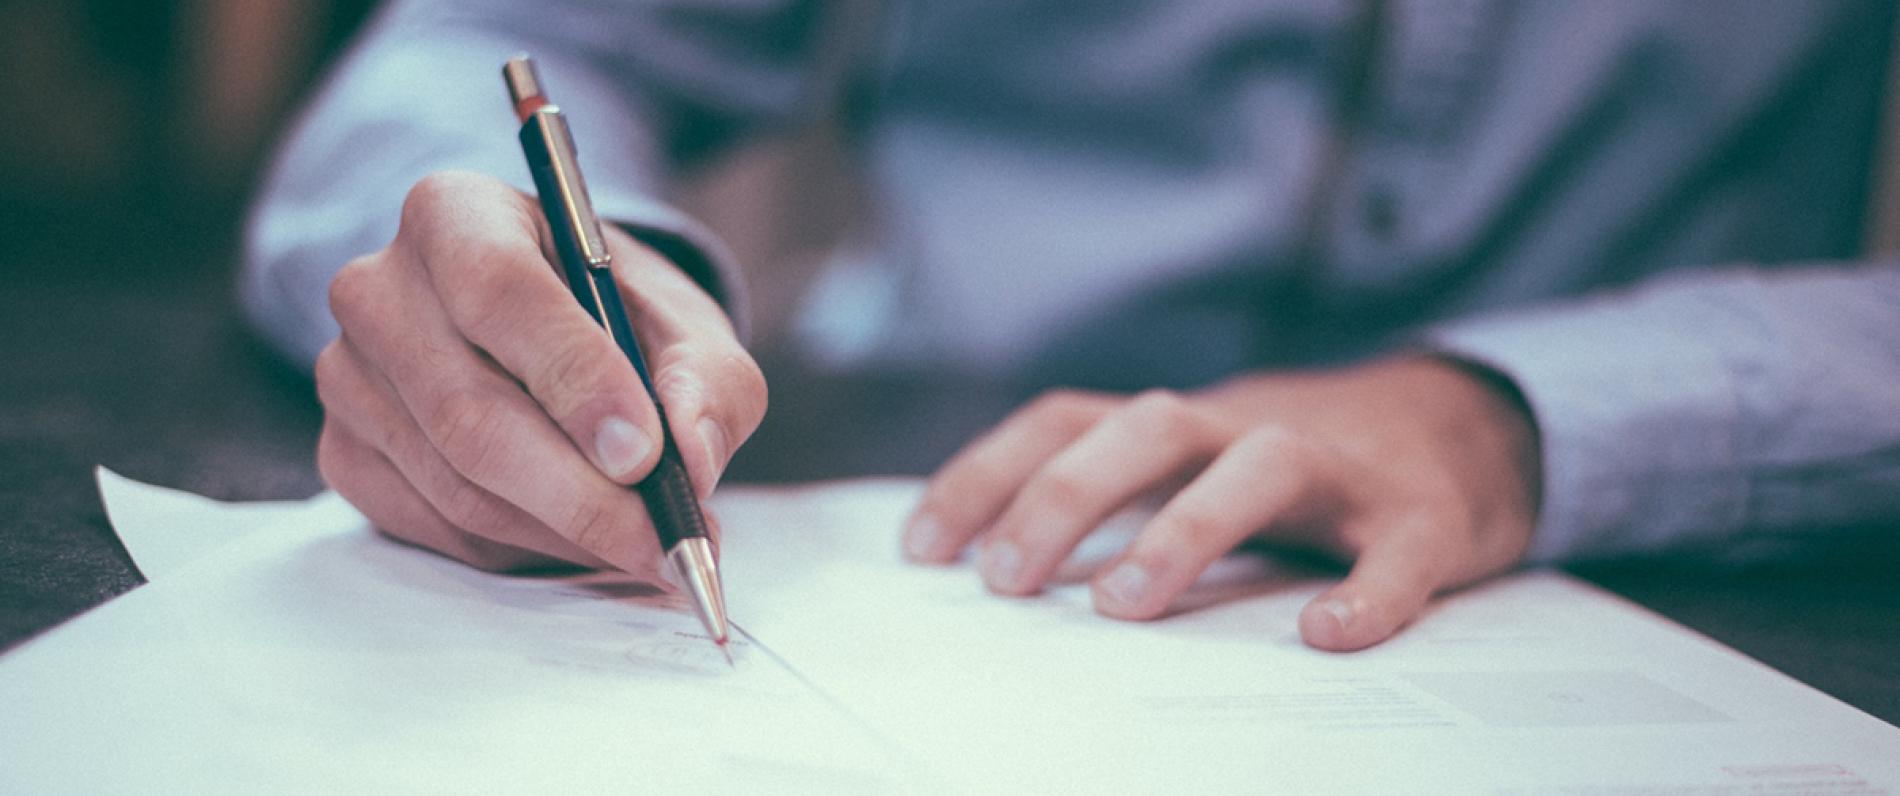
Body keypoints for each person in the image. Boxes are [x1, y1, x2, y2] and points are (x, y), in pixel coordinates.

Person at [244, 0, 1900, 652]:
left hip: (1664, 568)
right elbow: (498, 41)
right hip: (923, 507)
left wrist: (1517, 411)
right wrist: (524, 280)